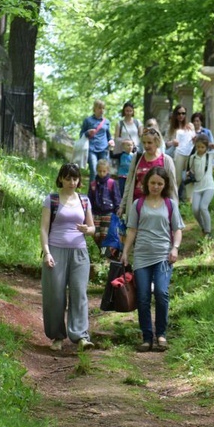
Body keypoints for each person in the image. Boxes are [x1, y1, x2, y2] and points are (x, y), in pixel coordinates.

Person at [121, 166, 185, 352]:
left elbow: (178, 229)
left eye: (159, 183)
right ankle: (147, 337)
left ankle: (161, 334)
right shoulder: (138, 204)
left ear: (165, 185)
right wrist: (125, 252)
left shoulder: (170, 204)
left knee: (161, 293)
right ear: (146, 183)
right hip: (141, 255)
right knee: (142, 297)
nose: (155, 186)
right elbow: (132, 229)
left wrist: (175, 248)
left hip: (163, 255)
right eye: (152, 183)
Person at [40, 163, 97, 352]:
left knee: (79, 293)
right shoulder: (52, 200)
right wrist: (46, 252)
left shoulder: (84, 200)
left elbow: (92, 228)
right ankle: (57, 336)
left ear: (79, 180)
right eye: (68, 178)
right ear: (61, 179)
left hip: (79, 251)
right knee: (54, 295)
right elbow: (43, 229)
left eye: (75, 178)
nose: (72, 182)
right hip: (55, 250)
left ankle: (81, 336)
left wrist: (86, 230)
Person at [118, 127, 178, 216]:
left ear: (157, 142)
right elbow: (129, 183)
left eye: (149, 143)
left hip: (159, 207)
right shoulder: (137, 158)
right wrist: (122, 205)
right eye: (144, 143)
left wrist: (174, 210)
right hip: (137, 205)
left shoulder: (166, 160)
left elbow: (172, 186)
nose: (146, 146)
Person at [185, 134, 214, 240]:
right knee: (195, 209)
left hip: (208, 186)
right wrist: (189, 174)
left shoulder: (210, 155)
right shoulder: (192, 157)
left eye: (202, 147)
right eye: (198, 147)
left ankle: (208, 232)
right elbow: (192, 170)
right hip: (197, 187)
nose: (200, 149)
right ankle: (203, 227)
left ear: (206, 147)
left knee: (203, 207)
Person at [87, 159, 121, 254]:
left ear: (107, 171)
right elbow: (89, 200)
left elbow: (116, 197)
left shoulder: (111, 183)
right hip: (96, 213)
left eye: (104, 171)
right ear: (97, 170)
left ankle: (104, 255)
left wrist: (118, 209)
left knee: (105, 235)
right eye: (100, 171)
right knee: (95, 234)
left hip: (108, 213)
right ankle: (98, 252)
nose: (102, 173)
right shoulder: (93, 184)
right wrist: (89, 213)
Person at [165, 104, 196, 201]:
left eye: (183, 113)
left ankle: (189, 201)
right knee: (177, 178)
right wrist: (172, 142)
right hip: (178, 154)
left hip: (190, 154)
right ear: (175, 114)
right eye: (178, 113)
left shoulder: (190, 126)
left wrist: (195, 139)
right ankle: (174, 201)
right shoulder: (171, 128)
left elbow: (194, 139)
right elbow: (166, 143)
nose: (181, 116)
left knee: (190, 177)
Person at [80, 99, 114, 182]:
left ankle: (104, 192)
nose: (101, 110)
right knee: (94, 171)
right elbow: (81, 135)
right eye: (99, 108)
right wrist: (88, 132)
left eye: (103, 108)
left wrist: (111, 141)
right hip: (92, 149)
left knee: (104, 171)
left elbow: (109, 136)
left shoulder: (106, 122)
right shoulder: (88, 120)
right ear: (94, 108)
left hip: (104, 150)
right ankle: (92, 193)